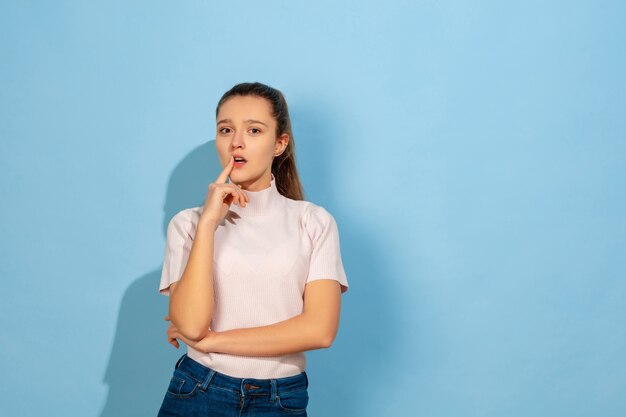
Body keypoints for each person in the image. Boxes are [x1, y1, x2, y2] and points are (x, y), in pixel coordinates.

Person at [156, 82, 349, 416]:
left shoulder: (313, 222)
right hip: (198, 391)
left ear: (280, 143)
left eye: (254, 130)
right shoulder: (188, 225)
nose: (237, 142)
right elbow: (190, 326)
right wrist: (208, 225)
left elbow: (319, 330)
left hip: (280, 399)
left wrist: (213, 341)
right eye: (225, 129)